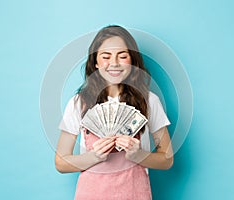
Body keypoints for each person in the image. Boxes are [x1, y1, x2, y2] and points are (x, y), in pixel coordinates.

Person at [55, 25, 173, 200]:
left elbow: (167, 160)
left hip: (135, 193)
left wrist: (138, 155)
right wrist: (93, 157)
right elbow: (61, 162)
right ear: (95, 63)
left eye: (122, 56)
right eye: (106, 56)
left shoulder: (149, 101)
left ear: (132, 61)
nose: (114, 63)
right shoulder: (78, 103)